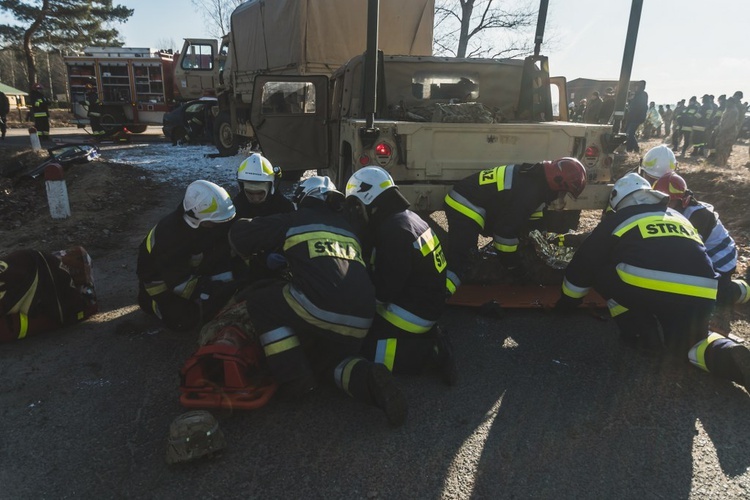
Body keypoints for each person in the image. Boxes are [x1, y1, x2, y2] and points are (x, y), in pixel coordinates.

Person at [228, 176, 407, 426]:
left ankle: (293, 377)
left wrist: (244, 224)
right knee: (328, 362)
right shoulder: (348, 230)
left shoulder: (296, 219)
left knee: (261, 303)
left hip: (320, 307)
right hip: (362, 318)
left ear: (303, 198)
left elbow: (242, 236)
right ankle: (369, 379)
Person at [555, 173, 750, 393]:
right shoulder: (679, 216)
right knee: (691, 344)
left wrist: (567, 303)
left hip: (645, 290)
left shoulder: (619, 218)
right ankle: (729, 354)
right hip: (702, 291)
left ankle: (640, 332)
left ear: (618, 201)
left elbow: (585, 262)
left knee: (602, 267)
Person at [343, 166, 456, 385]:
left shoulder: (394, 231)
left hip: (411, 314)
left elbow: (384, 291)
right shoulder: (408, 218)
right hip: (425, 305)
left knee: (360, 346)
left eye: (357, 206)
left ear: (368, 200)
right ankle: (427, 337)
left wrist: (354, 303)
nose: (357, 213)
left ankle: (430, 355)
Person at [442, 157, 587, 294]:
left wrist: (537, 240)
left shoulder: (537, 180)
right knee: (463, 259)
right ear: (557, 182)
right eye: (563, 192)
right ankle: (440, 294)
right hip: (465, 204)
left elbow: (533, 220)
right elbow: (504, 236)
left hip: (478, 202)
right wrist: (514, 266)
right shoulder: (529, 192)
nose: (560, 197)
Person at [137, 180, 238, 332]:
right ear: (195, 218)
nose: (220, 225)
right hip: (161, 281)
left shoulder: (204, 225)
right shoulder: (170, 236)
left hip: (186, 270)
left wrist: (233, 284)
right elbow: (180, 283)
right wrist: (213, 291)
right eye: (214, 222)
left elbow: (219, 255)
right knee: (186, 322)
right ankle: (151, 302)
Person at [653, 172, 749, 329]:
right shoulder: (675, 210)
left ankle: (740, 290)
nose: (664, 205)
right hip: (702, 254)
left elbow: (691, 252)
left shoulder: (698, 216)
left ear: (681, 201)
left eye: (668, 202)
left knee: (711, 294)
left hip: (721, 259)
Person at [232, 153, 294, 219]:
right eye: (250, 193)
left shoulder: (284, 208)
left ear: (270, 188)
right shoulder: (234, 208)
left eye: (260, 193)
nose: (255, 198)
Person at [624, 81, 648, 152]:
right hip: (631, 117)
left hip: (637, 118)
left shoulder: (643, 95)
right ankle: (629, 148)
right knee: (627, 133)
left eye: (637, 86)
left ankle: (636, 148)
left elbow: (641, 107)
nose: (635, 88)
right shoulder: (636, 95)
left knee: (630, 133)